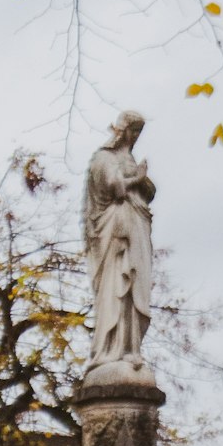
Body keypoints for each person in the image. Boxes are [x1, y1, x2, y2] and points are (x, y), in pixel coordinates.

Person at [83, 111, 155, 368]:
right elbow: (115, 187)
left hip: (135, 227)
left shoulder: (129, 159)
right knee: (117, 286)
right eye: (133, 131)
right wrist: (139, 177)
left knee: (135, 284)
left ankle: (131, 348)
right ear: (122, 131)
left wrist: (143, 182)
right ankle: (112, 348)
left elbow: (147, 192)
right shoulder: (103, 157)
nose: (135, 137)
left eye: (139, 132)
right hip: (114, 232)